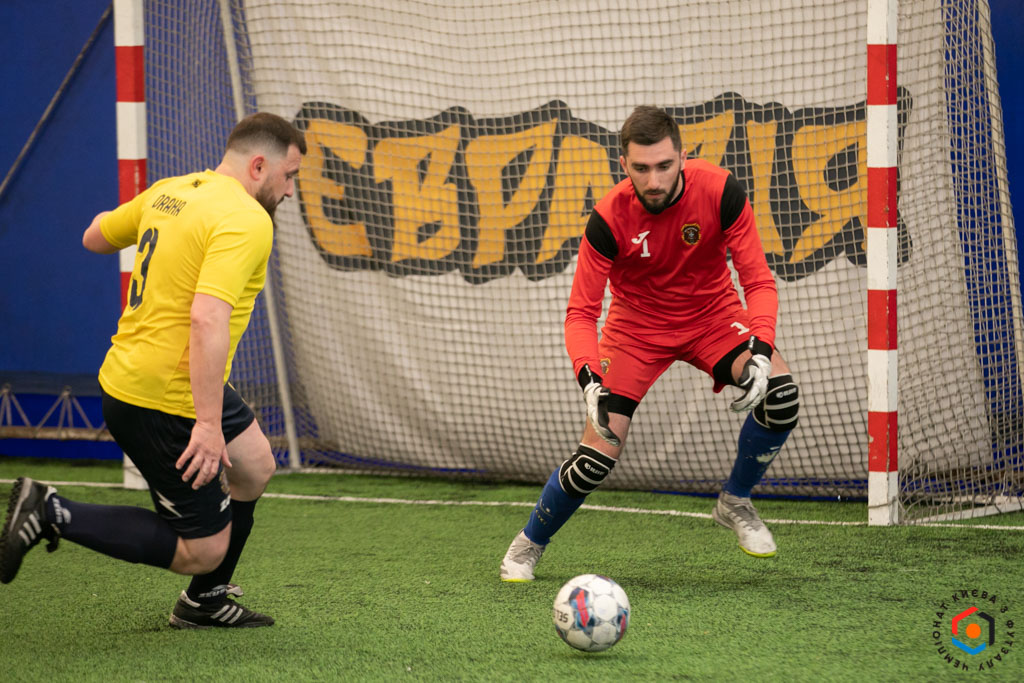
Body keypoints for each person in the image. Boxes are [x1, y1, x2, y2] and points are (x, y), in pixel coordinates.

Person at [0, 112, 306, 627]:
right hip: (163, 397)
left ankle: (203, 603)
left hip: (146, 375)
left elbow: (94, 236)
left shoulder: (171, 191)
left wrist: (149, 222)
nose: (291, 190)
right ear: (259, 166)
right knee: (202, 549)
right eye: (289, 176)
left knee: (254, 465)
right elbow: (207, 318)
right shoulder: (247, 219)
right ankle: (50, 510)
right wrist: (207, 423)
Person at [500, 105, 800, 581]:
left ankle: (736, 500)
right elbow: (581, 313)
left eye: (664, 165)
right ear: (624, 164)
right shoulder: (607, 218)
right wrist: (588, 377)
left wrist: (761, 348)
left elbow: (759, 281)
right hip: (635, 332)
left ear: (683, 156)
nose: (654, 180)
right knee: (596, 456)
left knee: (780, 395)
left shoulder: (721, 191)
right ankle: (528, 543)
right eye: (641, 168)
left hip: (712, 317)